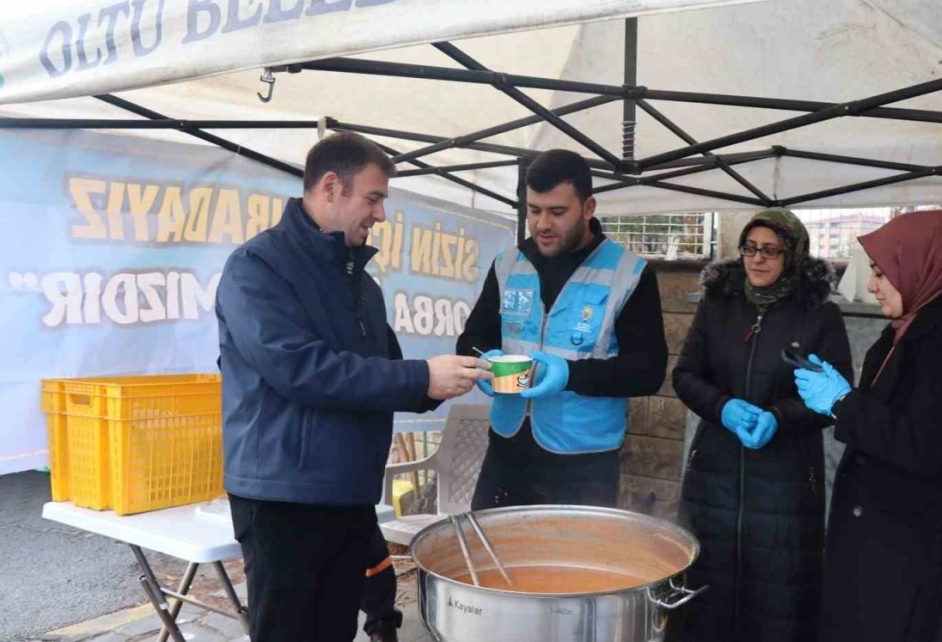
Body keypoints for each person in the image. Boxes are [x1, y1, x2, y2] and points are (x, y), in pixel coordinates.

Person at [215, 132, 492, 642]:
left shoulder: (362, 285)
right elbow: (300, 369)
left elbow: (384, 373)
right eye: (373, 198)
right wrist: (421, 376)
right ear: (329, 187)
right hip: (284, 497)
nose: (380, 214)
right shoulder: (257, 267)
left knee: (335, 632)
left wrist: (449, 380)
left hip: (349, 493)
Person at [794, 210, 942, 642]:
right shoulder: (905, 330)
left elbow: (927, 447)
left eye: (881, 273)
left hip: (930, 552)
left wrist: (843, 403)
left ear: (921, 267)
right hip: (895, 541)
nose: (872, 286)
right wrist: (844, 401)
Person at [672, 209, 852, 642]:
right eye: (750, 248)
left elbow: (835, 397)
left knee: (778, 597)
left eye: (771, 250)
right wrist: (722, 407)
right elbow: (685, 375)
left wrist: (780, 418)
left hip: (786, 481)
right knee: (707, 591)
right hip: (714, 476)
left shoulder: (819, 316)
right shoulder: (718, 305)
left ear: (793, 255)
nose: (757, 259)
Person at [455, 149, 667, 509]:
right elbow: (472, 339)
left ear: (588, 208)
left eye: (557, 212)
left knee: (571, 549)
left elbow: (647, 372)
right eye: (534, 210)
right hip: (507, 448)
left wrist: (570, 375)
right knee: (487, 544)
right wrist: (484, 361)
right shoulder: (508, 264)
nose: (542, 224)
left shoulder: (629, 273)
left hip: (584, 462)